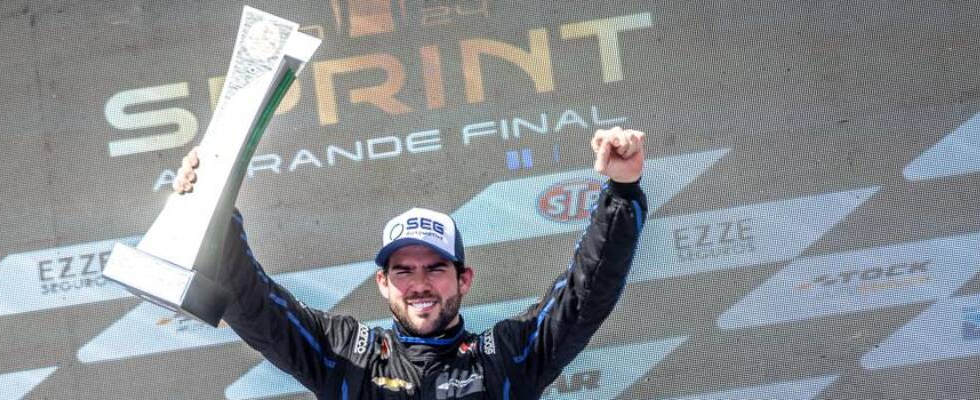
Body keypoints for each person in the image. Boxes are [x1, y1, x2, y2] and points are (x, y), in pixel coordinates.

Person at [173, 127, 647, 399]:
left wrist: (622, 192)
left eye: (435, 268)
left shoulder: (506, 356)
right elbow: (255, 309)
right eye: (404, 270)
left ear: (464, 279)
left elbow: (585, 295)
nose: (420, 284)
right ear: (382, 282)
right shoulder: (346, 356)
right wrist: (214, 212)